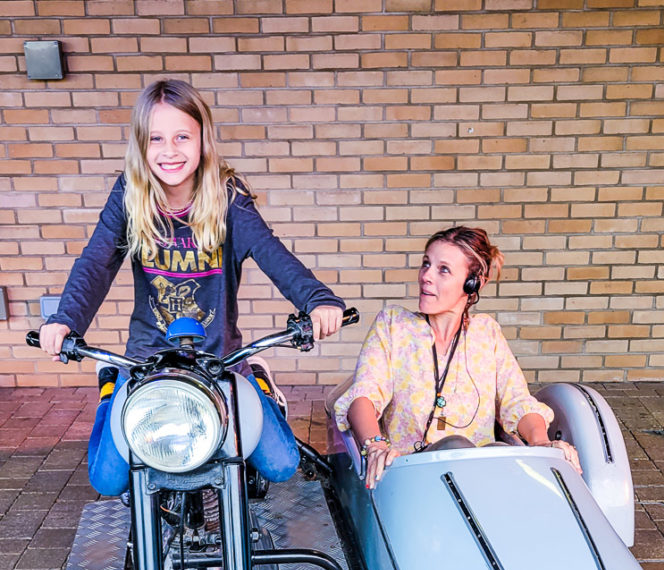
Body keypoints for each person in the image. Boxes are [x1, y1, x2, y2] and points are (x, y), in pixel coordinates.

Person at [39, 78, 345, 494]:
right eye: (156, 138)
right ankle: (111, 386)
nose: (169, 150)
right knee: (108, 479)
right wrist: (65, 320)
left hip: (219, 360)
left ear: (202, 139)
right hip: (148, 363)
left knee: (280, 463)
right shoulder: (130, 196)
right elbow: (96, 260)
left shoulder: (227, 196)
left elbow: (272, 252)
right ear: (141, 145)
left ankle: (257, 378)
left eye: (182, 136)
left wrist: (317, 299)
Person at [334, 225, 581, 489]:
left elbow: (516, 401)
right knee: (455, 445)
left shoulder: (486, 333)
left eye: (443, 270)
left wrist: (541, 444)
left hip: (481, 483)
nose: (426, 276)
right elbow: (364, 394)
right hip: (411, 481)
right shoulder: (394, 325)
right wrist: (375, 446)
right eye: (426, 264)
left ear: (473, 283)